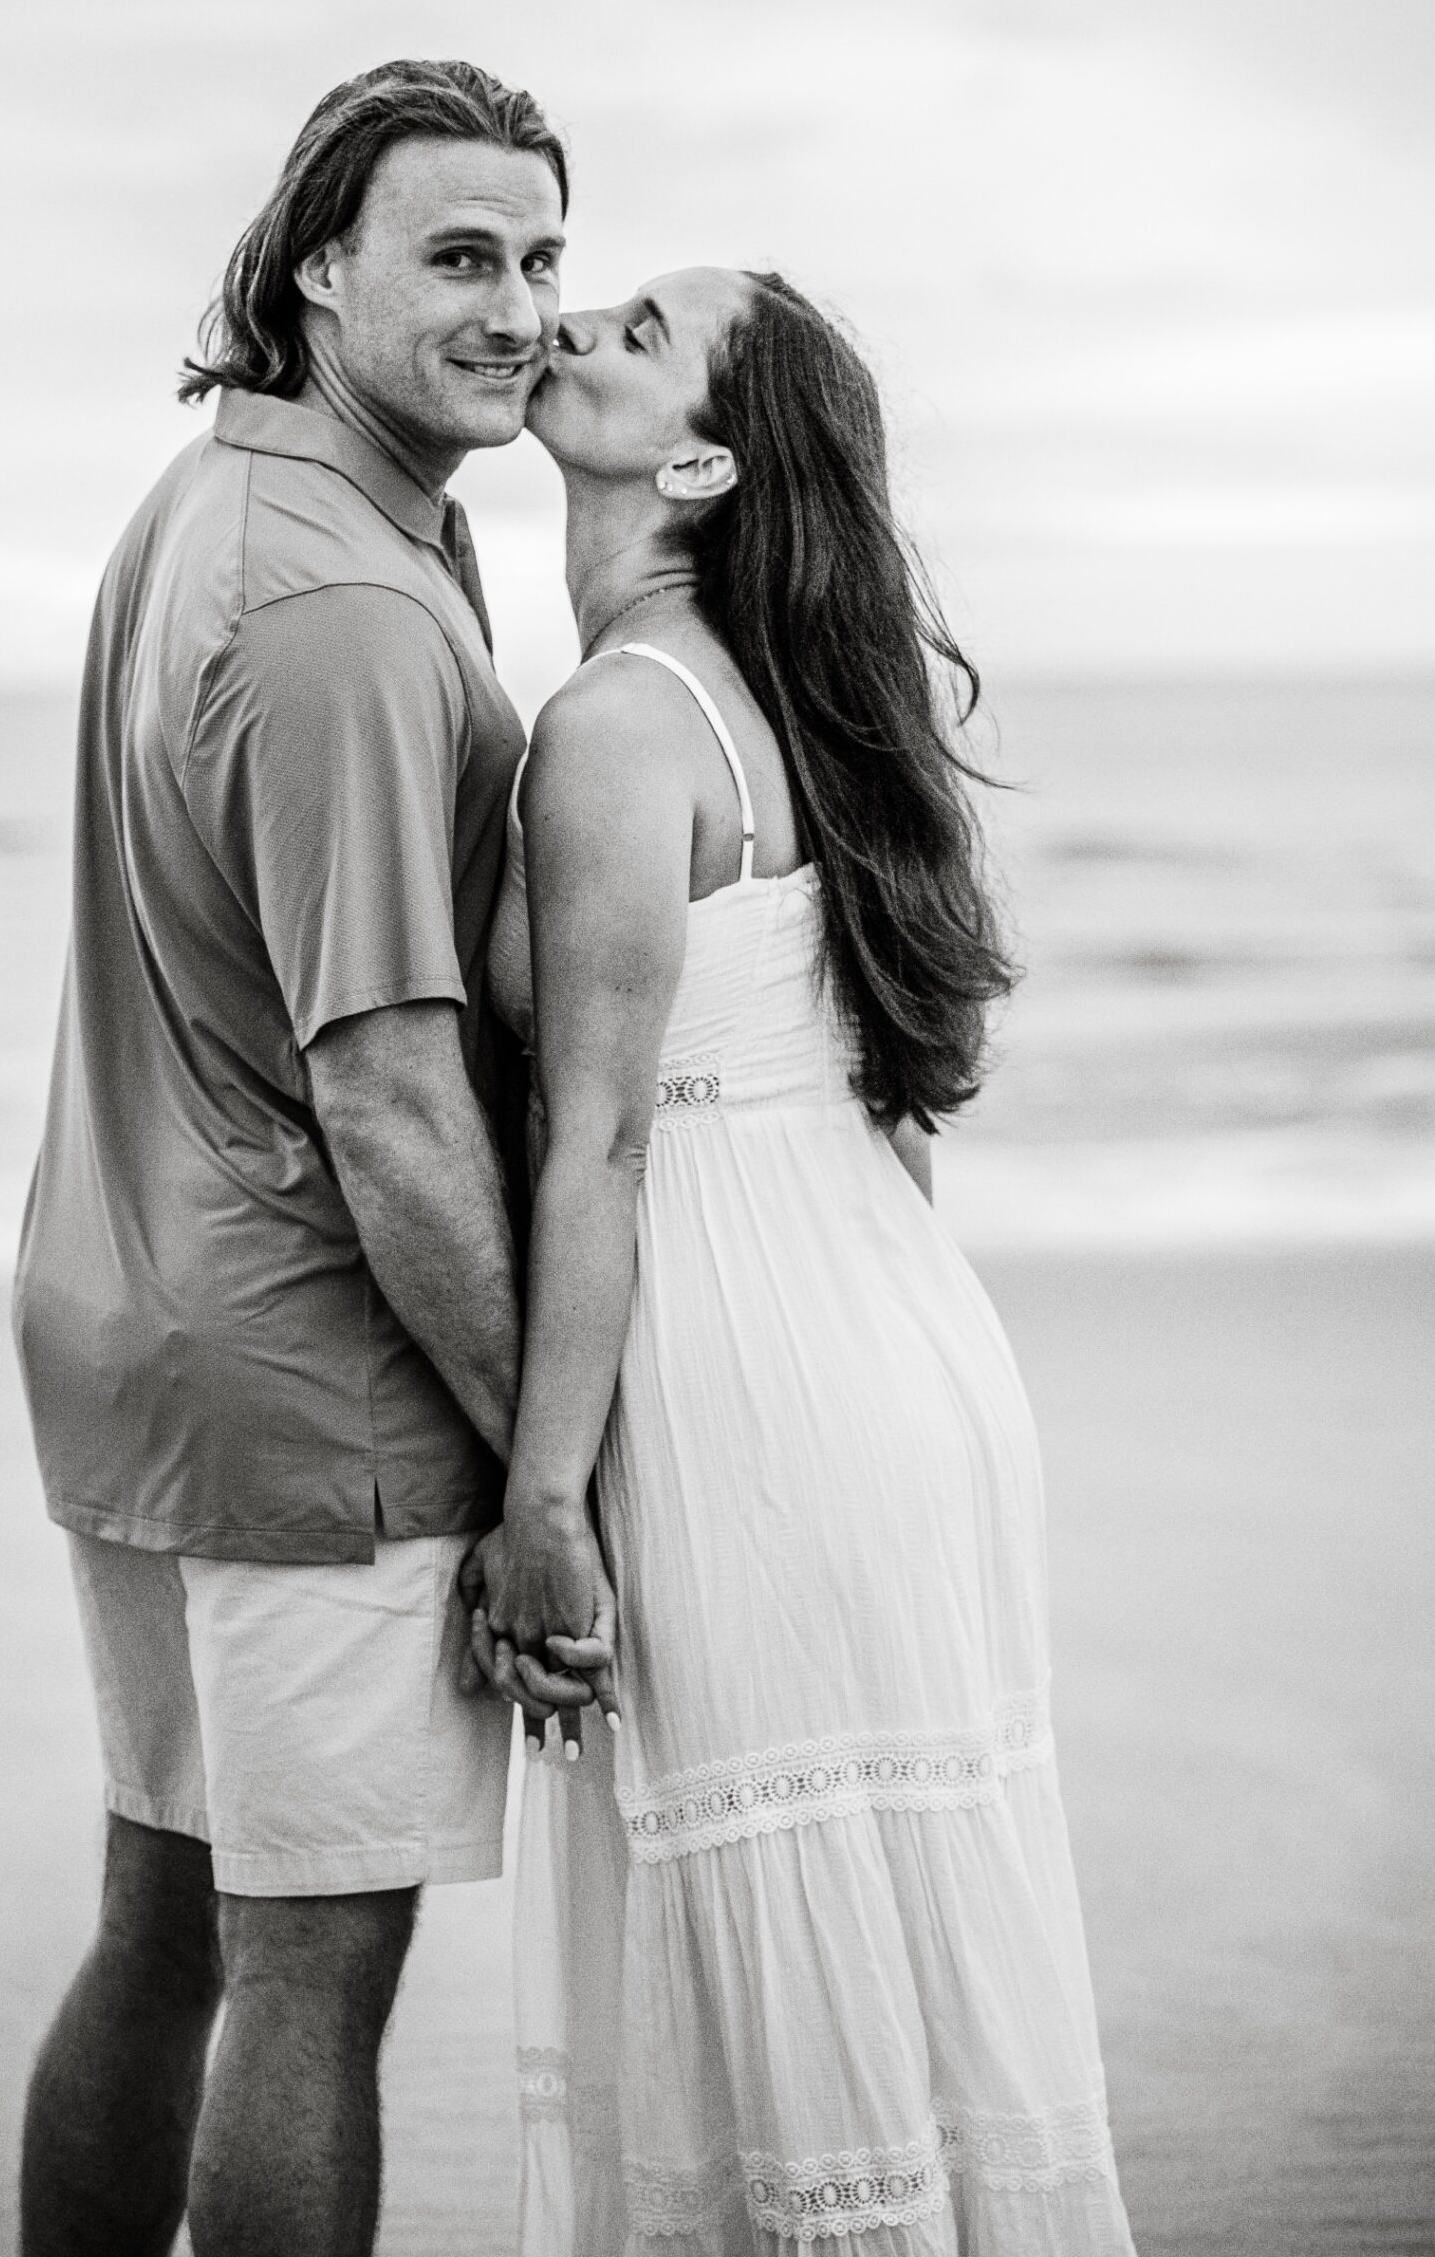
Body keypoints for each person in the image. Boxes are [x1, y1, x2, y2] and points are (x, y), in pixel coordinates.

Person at [467, 268, 1138, 2251]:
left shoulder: (618, 721)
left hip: (749, 1388)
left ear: (695, 455)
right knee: (883, 1956)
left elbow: (590, 1136)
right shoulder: (784, 712)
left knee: (777, 1956)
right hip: (893, 1357)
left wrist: (539, 1494)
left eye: (632, 324)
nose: (563, 321)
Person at [11, 58, 590, 2257]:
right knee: (304, 1974)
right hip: (304, 1387)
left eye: (541, 254)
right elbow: (385, 1091)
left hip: (139, 1330)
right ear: (313, 267)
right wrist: (543, 1454)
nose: (520, 304)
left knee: (167, 1924)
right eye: (458, 254)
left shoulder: (226, 499)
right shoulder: (335, 604)